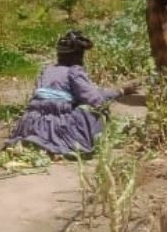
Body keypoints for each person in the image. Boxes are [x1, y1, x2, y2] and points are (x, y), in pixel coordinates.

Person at [8, 31, 136, 159]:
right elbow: (95, 99)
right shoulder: (74, 71)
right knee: (94, 111)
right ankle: (63, 144)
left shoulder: (47, 69)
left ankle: (34, 140)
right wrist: (119, 92)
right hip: (57, 124)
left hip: (31, 123)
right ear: (77, 56)